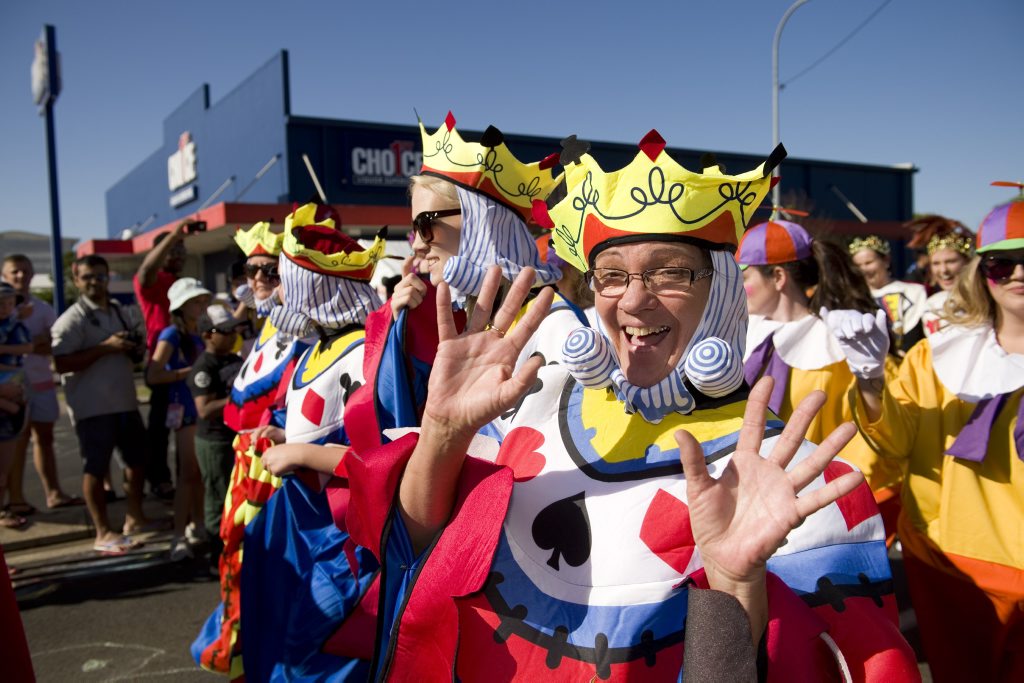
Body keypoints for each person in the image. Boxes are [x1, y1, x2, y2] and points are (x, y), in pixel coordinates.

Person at [340, 131, 917, 679]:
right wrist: (442, 433)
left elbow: (838, 664)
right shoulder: (536, 411)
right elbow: (419, 554)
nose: (634, 301)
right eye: (611, 277)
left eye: (669, 273)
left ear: (718, 290)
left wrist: (737, 587)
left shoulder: (788, 475)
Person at [828, 192, 1024, 682]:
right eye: (1003, 264)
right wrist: (871, 378)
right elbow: (891, 444)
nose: (1019, 275)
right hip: (951, 562)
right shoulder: (936, 357)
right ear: (983, 273)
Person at [192, 218, 311, 677]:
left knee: (270, 576)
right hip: (245, 472)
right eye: (250, 270)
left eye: (270, 271)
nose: (257, 280)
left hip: (277, 479)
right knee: (240, 568)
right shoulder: (262, 332)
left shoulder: (305, 338)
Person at [737, 219, 904, 543]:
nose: (737, 288)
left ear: (779, 277)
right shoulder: (743, 334)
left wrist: (871, 375)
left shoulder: (844, 341)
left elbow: (882, 434)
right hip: (749, 504)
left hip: (822, 513)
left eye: (744, 277)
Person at [52, 255, 151, 554]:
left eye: (100, 276)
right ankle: (102, 531)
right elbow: (60, 362)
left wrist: (133, 348)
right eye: (88, 277)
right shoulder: (71, 319)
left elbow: (135, 355)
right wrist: (105, 348)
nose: (95, 282)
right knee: (95, 469)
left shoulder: (122, 313)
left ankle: (134, 518)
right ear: (77, 279)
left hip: (124, 401)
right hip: (92, 408)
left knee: (136, 463)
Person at [2, 254, 81, 514]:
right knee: (16, 442)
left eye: (25, 271)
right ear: (5, 274)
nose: (20, 276)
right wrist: (32, 343)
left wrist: (29, 345)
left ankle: (54, 493)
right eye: (15, 271)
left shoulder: (42, 308)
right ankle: (15, 500)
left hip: (41, 382)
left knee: (44, 439)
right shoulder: (4, 308)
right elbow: (37, 343)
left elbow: (53, 344)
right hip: (11, 388)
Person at [147, 276, 210, 561]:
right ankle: (178, 535)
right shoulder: (171, 334)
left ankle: (197, 525)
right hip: (184, 410)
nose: (201, 305)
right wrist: (191, 371)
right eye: (195, 301)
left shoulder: (198, 333)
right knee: (187, 474)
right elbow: (153, 374)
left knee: (196, 474)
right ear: (181, 306)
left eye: (201, 300)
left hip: (198, 409)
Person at [134, 223, 189, 501]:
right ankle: (159, 480)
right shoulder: (152, 280)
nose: (179, 253)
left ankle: (185, 478)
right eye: (172, 249)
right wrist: (172, 236)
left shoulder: (181, 283)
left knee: (186, 426)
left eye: (182, 249)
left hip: (184, 365)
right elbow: (145, 271)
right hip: (160, 364)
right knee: (158, 432)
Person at [186, 305, 243, 567]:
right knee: (218, 495)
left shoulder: (234, 360)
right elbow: (205, 409)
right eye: (225, 331)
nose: (232, 335)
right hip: (214, 441)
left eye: (234, 329)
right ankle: (215, 551)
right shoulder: (203, 367)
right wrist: (236, 397)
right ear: (208, 334)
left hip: (235, 436)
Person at [849, 235, 928, 357]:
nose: (863, 269)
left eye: (868, 263)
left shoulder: (913, 291)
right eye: (858, 265)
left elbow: (915, 334)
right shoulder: (852, 298)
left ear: (886, 260)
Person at [904, 215, 974, 337]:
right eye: (936, 263)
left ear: (967, 262)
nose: (943, 270)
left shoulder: (987, 300)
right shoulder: (930, 305)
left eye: (951, 261)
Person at [0, 282, 31, 529]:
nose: (5, 307)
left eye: (9, 302)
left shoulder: (15, 326)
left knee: (2, 474)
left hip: (13, 396)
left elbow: (29, 347)